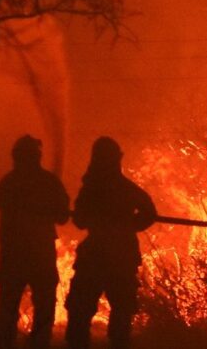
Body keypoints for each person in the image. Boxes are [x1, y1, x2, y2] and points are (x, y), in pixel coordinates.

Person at [65, 137, 156, 349]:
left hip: (95, 257)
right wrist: (128, 227)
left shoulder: (90, 189)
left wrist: (105, 223)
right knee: (121, 315)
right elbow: (149, 213)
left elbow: (79, 220)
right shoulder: (126, 188)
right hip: (120, 258)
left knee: (80, 312)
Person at [0, 135, 70, 349]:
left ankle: (3, 343)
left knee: (7, 306)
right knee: (43, 308)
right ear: (37, 156)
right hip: (39, 256)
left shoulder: (8, 183)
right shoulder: (49, 183)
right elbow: (62, 216)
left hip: (13, 255)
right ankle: (38, 343)